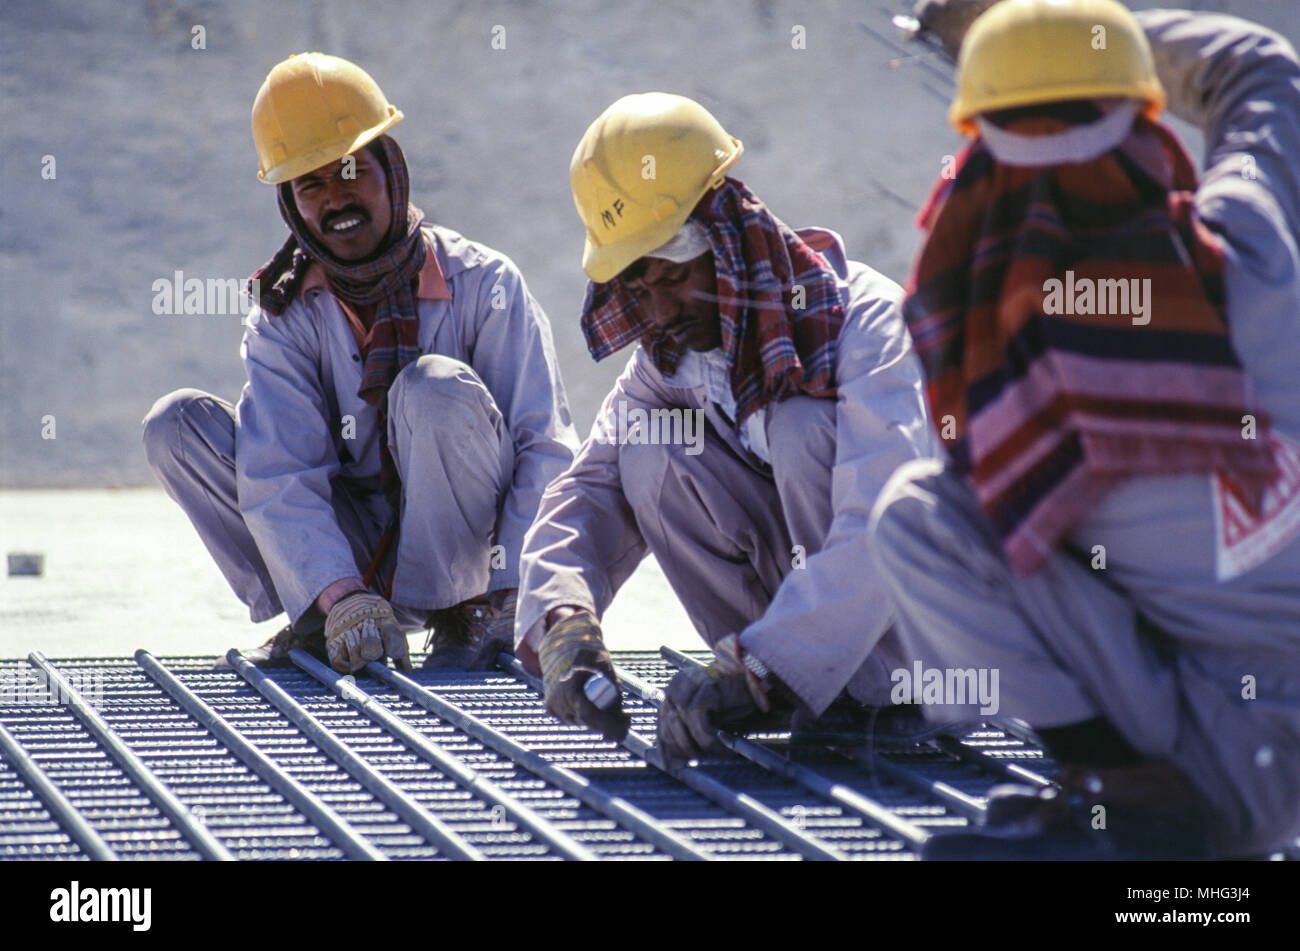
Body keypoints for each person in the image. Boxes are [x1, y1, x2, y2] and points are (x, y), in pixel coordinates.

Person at [872, 0, 1300, 858]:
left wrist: (1017, 44)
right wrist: (1086, 31)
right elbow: (1260, 67)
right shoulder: (1255, 255)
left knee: (921, 517)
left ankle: (1126, 797)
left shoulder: (995, 356)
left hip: (1210, 765)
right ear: (1142, 123)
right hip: (1264, 736)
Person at [516, 93, 938, 766]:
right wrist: (561, 622)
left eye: (676, 277)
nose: (659, 310)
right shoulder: (673, 362)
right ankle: (783, 684)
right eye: (638, 288)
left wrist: (769, 662)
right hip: (789, 664)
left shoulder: (867, 328)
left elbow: (884, 524)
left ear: (728, 236)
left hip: (931, 647)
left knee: (799, 424)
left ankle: (871, 694)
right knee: (649, 450)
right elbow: (589, 491)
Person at [142, 53, 577, 674]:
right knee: (176, 425)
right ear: (291, 204)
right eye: (310, 185)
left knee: (431, 388)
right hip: (351, 551)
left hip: (469, 552)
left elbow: (545, 448)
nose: (336, 198)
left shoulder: (485, 283)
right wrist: (340, 594)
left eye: (350, 172)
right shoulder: (284, 313)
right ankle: (320, 616)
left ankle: (468, 611)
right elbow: (282, 467)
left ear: (391, 171)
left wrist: (517, 592)